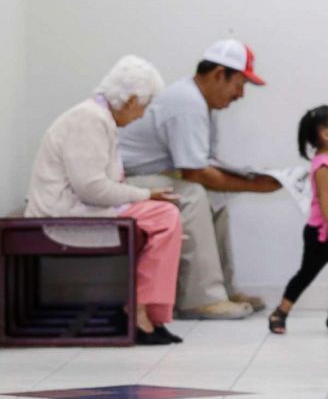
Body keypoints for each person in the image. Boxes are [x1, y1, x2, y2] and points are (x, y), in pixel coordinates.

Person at [25, 55, 184, 345]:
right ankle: (139, 312)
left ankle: (149, 313)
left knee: (164, 214)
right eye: (144, 106)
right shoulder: (89, 119)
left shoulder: (96, 117)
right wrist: (146, 195)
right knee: (165, 216)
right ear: (132, 99)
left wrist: (145, 197)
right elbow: (92, 189)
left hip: (77, 209)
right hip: (65, 216)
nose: (141, 115)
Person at [118, 39, 281, 321]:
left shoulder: (200, 102)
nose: (240, 94)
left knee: (214, 196)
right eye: (239, 84)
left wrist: (253, 178)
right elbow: (195, 173)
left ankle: (224, 291)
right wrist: (257, 186)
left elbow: (201, 164)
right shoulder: (188, 103)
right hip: (123, 180)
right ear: (219, 74)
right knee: (193, 194)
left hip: (146, 177)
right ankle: (201, 299)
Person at [267, 106, 328, 335]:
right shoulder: (323, 164)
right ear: (327, 134)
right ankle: (280, 312)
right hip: (323, 232)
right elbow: (324, 196)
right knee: (307, 274)